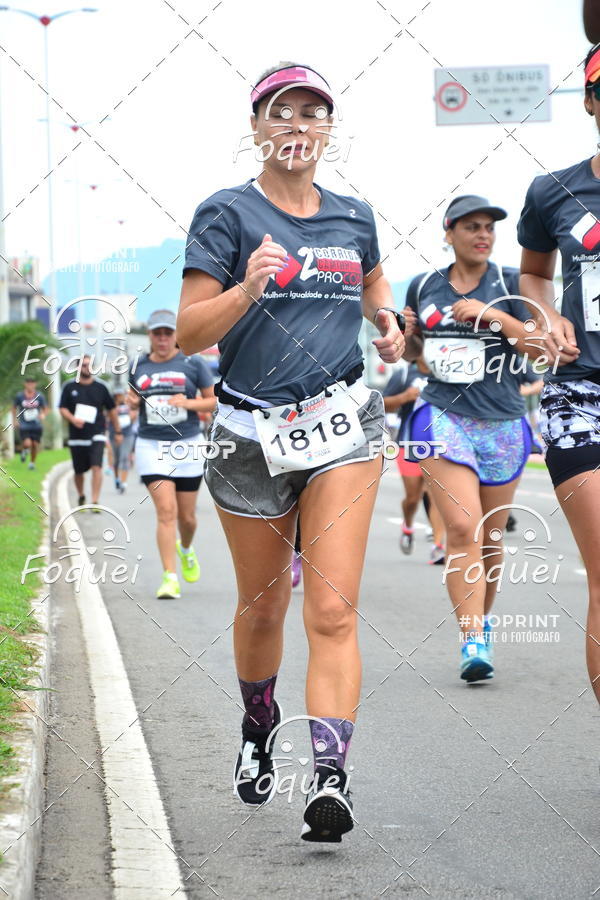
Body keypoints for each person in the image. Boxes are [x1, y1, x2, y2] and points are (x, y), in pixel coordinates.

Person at [177, 61, 404, 841]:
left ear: (329, 129)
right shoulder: (226, 214)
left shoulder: (352, 215)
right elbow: (191, 331)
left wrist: (386, 319)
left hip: (341, 426)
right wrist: (246, 288)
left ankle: (330, 780)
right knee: (265, 604)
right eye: (283, 112)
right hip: (248, 432)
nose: (298, 125)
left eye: (314, 113)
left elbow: (373, 279)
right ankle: (257, 724)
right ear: (258, 127)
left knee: (333, 610)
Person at [404, 195, 545, 683]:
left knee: (489, 537)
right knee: (462, 528)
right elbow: (413, 351)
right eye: (471, 227)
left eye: (488, 227)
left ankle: (482, 622)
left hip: (504, 421)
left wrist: (494, 317)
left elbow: (541, 346)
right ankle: (471, 639)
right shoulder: (424, 285)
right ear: (449, 233)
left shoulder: (510, 283)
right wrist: (401, 339)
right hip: (443, 416)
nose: (482, 234)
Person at [517, 43, 600, 706]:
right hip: (583, 394)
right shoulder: (554, 192)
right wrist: (545, 317)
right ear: (592, 103)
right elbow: (535, 273)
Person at [127, 309, 215, 600]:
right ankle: (169, 577)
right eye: (157, 333)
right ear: (150, 336)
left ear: (175, 336)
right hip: (151, 445)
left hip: (188, 444)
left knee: (187, 518)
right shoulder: (137, 366)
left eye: (167, 333)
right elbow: (132, 402)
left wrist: (188, 404)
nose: (162, 339)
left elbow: (214, 401)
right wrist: (131, 401)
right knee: (166, 512)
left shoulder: (193, 363)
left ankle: (186, 549)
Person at [383, 359, 445, 563]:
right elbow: (383, 403)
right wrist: (405, 397)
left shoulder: (444, 370)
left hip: (437, 441)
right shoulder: (403, 374)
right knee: (412, 497)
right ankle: (407, 525)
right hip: (408, 440)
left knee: (434, 493)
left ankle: (438, 546)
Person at [59, 355, 123, 510]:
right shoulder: (69, 387)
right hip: (77, 436)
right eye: (83, 365)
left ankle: (95, 501)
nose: (86, 368)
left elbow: (112, 409)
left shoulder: (101, 387)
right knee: (78, 470)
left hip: (97, 432)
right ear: (77, 368)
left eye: (89, 365)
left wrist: (118, 431)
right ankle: (81, 495)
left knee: (97, 467)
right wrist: (73, 419)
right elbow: (62, 408)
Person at [13, 377, 47, 470]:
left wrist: (43, 415)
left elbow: (45, 408)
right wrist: (15, 420)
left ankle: (32, 463)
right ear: (25, 384)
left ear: (35, 384)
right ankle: (24, 450)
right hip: (24, 424)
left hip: (36, 424)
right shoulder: (20, 396)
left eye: (32, 383)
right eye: (28, 383)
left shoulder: (39, 396)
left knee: (35, 445)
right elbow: (14, 407)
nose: (30, 385)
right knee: (27, 443)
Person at [108, 391, 137, 493]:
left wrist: (130, 416)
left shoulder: (129, 405)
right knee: (116, 459)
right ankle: (117, 479)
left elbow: (134, 416)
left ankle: (123, 483)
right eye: (119, 395)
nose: (122, 397)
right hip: (114, 435)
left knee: (125, 457)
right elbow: (108, 417)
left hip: (127, 435)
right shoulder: (111, 406)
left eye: (123, 395)